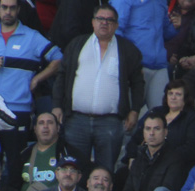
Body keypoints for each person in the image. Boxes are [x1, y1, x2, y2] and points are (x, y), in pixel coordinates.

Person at [51, 4, 146, 171]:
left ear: (116, 25)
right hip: (76, 120)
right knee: (74, 170)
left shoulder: (128, 50)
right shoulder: (77, 45)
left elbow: (138, 83)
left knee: (105, 172)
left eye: (110, 20)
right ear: (93, 22)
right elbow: (62, 77)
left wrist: (135, 110)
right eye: (100, 19)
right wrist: (57, 105)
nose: (104, 23)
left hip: (110, 122)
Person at [0, 0, 63, 187]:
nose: (7, 11)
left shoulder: (32, 37)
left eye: (11, 8)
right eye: (4, 7)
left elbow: (58, 59)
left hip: (18, 109)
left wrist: (38, 79)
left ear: (18, 10)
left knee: (16, 164)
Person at [123, 80, 195, 169]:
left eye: (178, 94)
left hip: (175, 167)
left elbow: (192, 148)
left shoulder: (193, 119)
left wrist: (161, 156)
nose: (173, 97)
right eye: (170, 94)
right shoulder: (156, 112)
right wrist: (132, 156)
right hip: (145, 161)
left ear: (185, 98)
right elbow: (136, 139)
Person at [21, 112, 91, 191]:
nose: (45, 126)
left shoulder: (70, 153)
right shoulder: (24, 154)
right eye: (41, 123)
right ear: (35, 129)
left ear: (58, 128)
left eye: (50, 122)